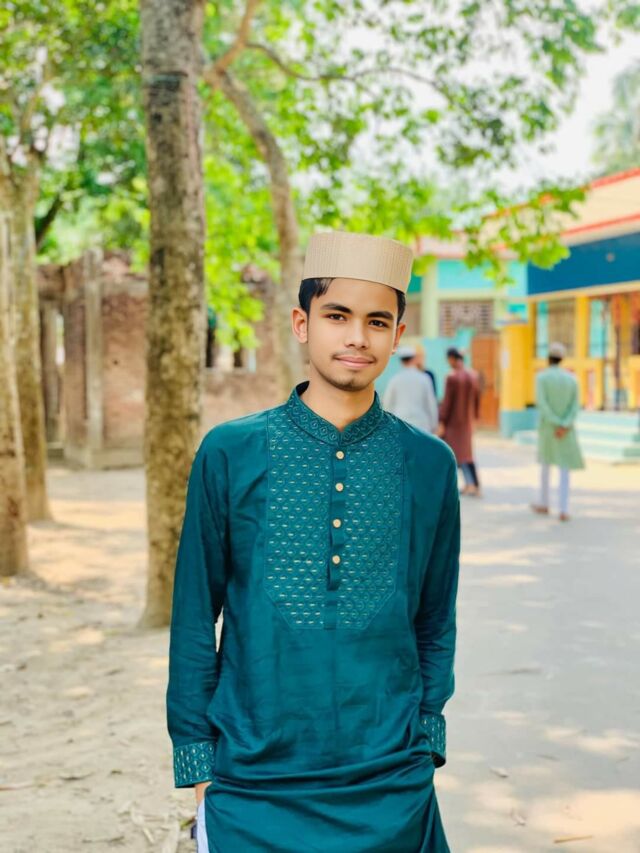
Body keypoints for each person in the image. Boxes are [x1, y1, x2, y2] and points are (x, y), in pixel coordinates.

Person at [167, 230, 460, 852]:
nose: (357, 337)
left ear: (397, 335)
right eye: (337, 316)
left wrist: (427, 741)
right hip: (252, 780)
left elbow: (435, 617)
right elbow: (194, 614)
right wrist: (197, 764)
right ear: (302, 324)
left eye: (377, 322)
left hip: (389, 780)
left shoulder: (429, 463)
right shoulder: (230, 452)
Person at [531, 341, 584, 521]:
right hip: (565, 430)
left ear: (548, 358)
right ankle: (564, 509)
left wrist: (555, 423)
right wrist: (564, 424)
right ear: (562, 359)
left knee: (546, 466)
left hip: (548, 428)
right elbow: (575, 406)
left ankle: (544, 503)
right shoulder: (572, 379)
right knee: (564, 469)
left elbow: (542, 404)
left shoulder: (541, 378)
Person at [438, 346, 481, 496]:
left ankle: (467, 484)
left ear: (451, 359)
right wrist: (475, 418)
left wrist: (442, 420)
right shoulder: (473, 376)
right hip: (467, 422)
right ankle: (473, 485)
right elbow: (477, 400)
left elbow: (447, 403)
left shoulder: (452, 377)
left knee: (454, 455)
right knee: (466, 454)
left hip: (453, 424)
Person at [382, 344, 439, 434]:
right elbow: (431, 404)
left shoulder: (394, 380)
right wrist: (434, 425)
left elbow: (387, 404)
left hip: (401, 425)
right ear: (414, 359)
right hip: (422, 426)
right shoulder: (424, 379)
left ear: (401, 361)